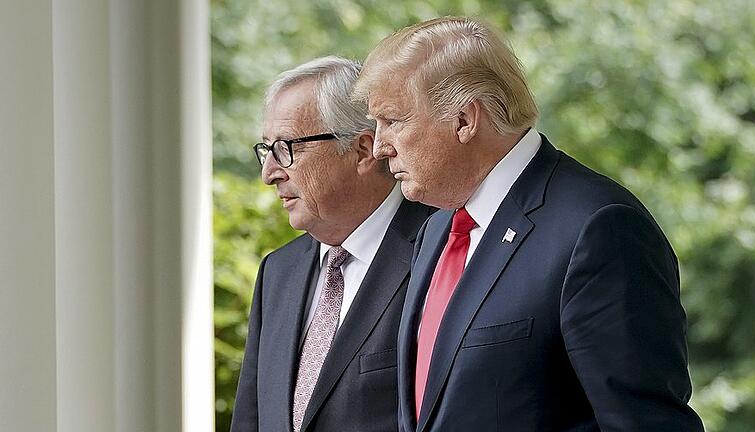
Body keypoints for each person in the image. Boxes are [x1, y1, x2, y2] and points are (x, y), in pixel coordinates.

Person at [353, 17, 704, 431]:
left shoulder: (600, 228)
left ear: (465, 120)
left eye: (392, 121)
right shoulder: (436, 231)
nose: (378, 147)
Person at [230, 56, 433, 432]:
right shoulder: (278, 272)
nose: (268, 173)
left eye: (286, 148)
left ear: (362, 150)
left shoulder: (440, 253)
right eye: (266, 150)